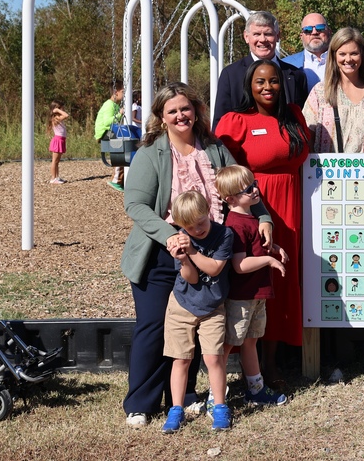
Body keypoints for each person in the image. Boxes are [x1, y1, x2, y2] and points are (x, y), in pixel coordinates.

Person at [121, 82, 273, 427]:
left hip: (208, 254)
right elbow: (136, 205)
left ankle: (185, 397)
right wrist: (171, 237)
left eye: (185, 109)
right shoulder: (150, 154)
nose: (180, 116)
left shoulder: (215, 150)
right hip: (161, 255)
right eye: (172, 111)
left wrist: (263, 216)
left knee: (193, 326)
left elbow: (241, 185)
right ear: (161, 117)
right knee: (154, 326)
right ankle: (141, 403)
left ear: (196, 111)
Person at [215, 60, 310, 384]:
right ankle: (248, 367)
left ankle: (273, 361)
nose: (267, 87)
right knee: (258, 284)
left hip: (294, 209)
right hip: (256, 211)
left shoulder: (294, 116)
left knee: (284, 284)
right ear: (249, 86)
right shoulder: (235, 121)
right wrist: (254, 214)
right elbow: (223, 176)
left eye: (273, 81)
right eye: (260, 82)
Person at [160, 190, 234, 433]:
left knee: (214, 357)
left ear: (209, 212)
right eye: (189, 227)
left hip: (213, 307)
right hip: (182, 306)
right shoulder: (180, 238)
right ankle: (176, 409)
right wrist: (182, 259)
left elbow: (214, 269)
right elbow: (191, 279)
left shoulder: (224, 235)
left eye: (201, 223)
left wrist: (191, 251)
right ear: (181, 226)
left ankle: (220, 407)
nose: (197, 230)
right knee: (181, 358)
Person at [217, 165, 289, 410]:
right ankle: (215, 396)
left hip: (257, 294)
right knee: (228, 344)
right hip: (241, 296)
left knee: (250, 341)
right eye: (247, 189)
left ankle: (255, 389)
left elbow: (254, 250)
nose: (255, 190)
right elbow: (239, 264)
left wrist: (273, 249)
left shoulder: (251, 218)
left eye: (253, 184)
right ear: (230, 199)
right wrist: (269, 260)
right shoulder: (235, 224)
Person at [211, 11, 309, 128]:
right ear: (246, 37)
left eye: (268, 34)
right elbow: (220, 123)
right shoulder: (231, 75)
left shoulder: (296, 75)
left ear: (277, 36)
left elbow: (303, 121)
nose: (262, 39)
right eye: (256, 34)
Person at [302, 27, 364, 153]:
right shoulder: (320, 92)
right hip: (325, 171)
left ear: (362, 55)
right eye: (342, 54)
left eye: (354, 53)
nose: (348, 59)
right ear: (334, 56)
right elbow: (307, 133)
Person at [282, 13, 331, 90]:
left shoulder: (343, 61)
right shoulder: (285, 65)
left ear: (329, 32)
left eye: (320, 28)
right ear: (301, 36)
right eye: (308, 30)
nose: (314, 32)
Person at [95, 81, 125, 191]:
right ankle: (116, 180)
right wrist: (120, 114)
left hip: (110, 131)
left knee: (127, 141)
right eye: (123, 91)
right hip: (104, 132)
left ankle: (122, 177)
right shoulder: (109, 105)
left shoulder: (115, 105)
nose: (125, 94)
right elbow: (107, 122)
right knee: (122, 146)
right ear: (116, 92)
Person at [47, 101, 70, 184]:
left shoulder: (58, 117)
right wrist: (57, 110)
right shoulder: (56, 118)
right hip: (58, 140)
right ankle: (53, 178)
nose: (63, 109)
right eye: (61, 108)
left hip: (61, 140)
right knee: (54, 160)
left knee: (57, 161)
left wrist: (58, 110)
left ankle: (57, 177)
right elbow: (66, 115)